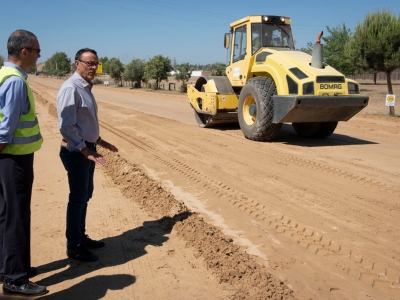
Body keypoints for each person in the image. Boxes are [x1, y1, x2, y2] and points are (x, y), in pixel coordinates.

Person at [57, 48, 118, 262]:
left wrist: (99, 141)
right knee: (77, 199)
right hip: (76, 152)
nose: (94, 67)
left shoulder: (85, 87)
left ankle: (80, 237)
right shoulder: (70, 88)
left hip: (87, 149)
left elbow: (83, 123)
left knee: (84, 197)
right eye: (89, 63)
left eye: (96, 63)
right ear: (77, 64)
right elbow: (66, 126)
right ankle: (74, 246)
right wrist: (85, 149)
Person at [0, 30, 47, 296]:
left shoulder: (2, 75)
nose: (40, 55)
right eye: (38, 50)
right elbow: (5, 130)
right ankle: (16, 279)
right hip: (14, 158)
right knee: (17, 216)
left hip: (6, 157)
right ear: (25, 52)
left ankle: (6, 268)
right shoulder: (16, 81)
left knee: (5, 214)